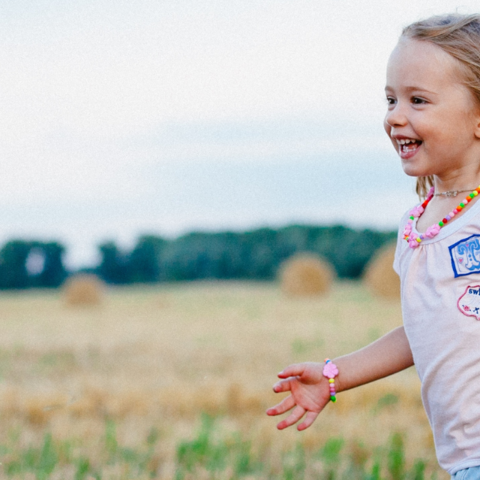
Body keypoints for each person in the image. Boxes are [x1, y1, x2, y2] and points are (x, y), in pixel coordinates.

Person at [266, 13, 480, 479]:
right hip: (464, 460)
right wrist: (334, 375)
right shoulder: (418, 224)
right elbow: (426, 327)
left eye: (418, 100)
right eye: (390, 99)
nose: (395, 116)